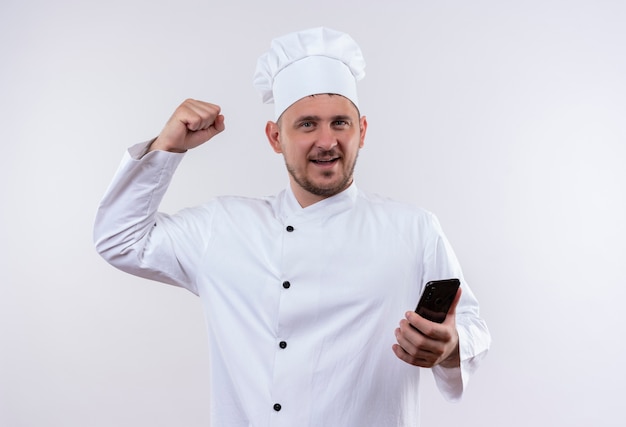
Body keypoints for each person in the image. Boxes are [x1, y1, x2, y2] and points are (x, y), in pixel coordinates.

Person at [94, 27, 490, 426]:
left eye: (340, 123)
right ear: (275, 137)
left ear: (362, 132)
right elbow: (120, 239)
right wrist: (168, 146)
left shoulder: (413, 229)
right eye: (306, 125)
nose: (326, 140)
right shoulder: (224, 226)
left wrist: (451, 346)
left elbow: (471, 325)